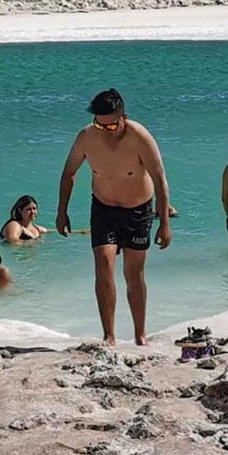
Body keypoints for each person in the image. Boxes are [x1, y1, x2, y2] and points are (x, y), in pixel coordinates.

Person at [57, 88, 171, 346]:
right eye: (99, 124)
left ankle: (140, 334)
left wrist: (164, 223)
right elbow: (69, 173)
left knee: (133, 273)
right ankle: (109, 335)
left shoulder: (139, 137)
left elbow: (160, 180)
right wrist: (61, 211)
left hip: (139, 210)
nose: (104, 131)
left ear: (123, 117)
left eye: (110, 127)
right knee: (103, 267)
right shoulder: (87, 136)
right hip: (104, 207)